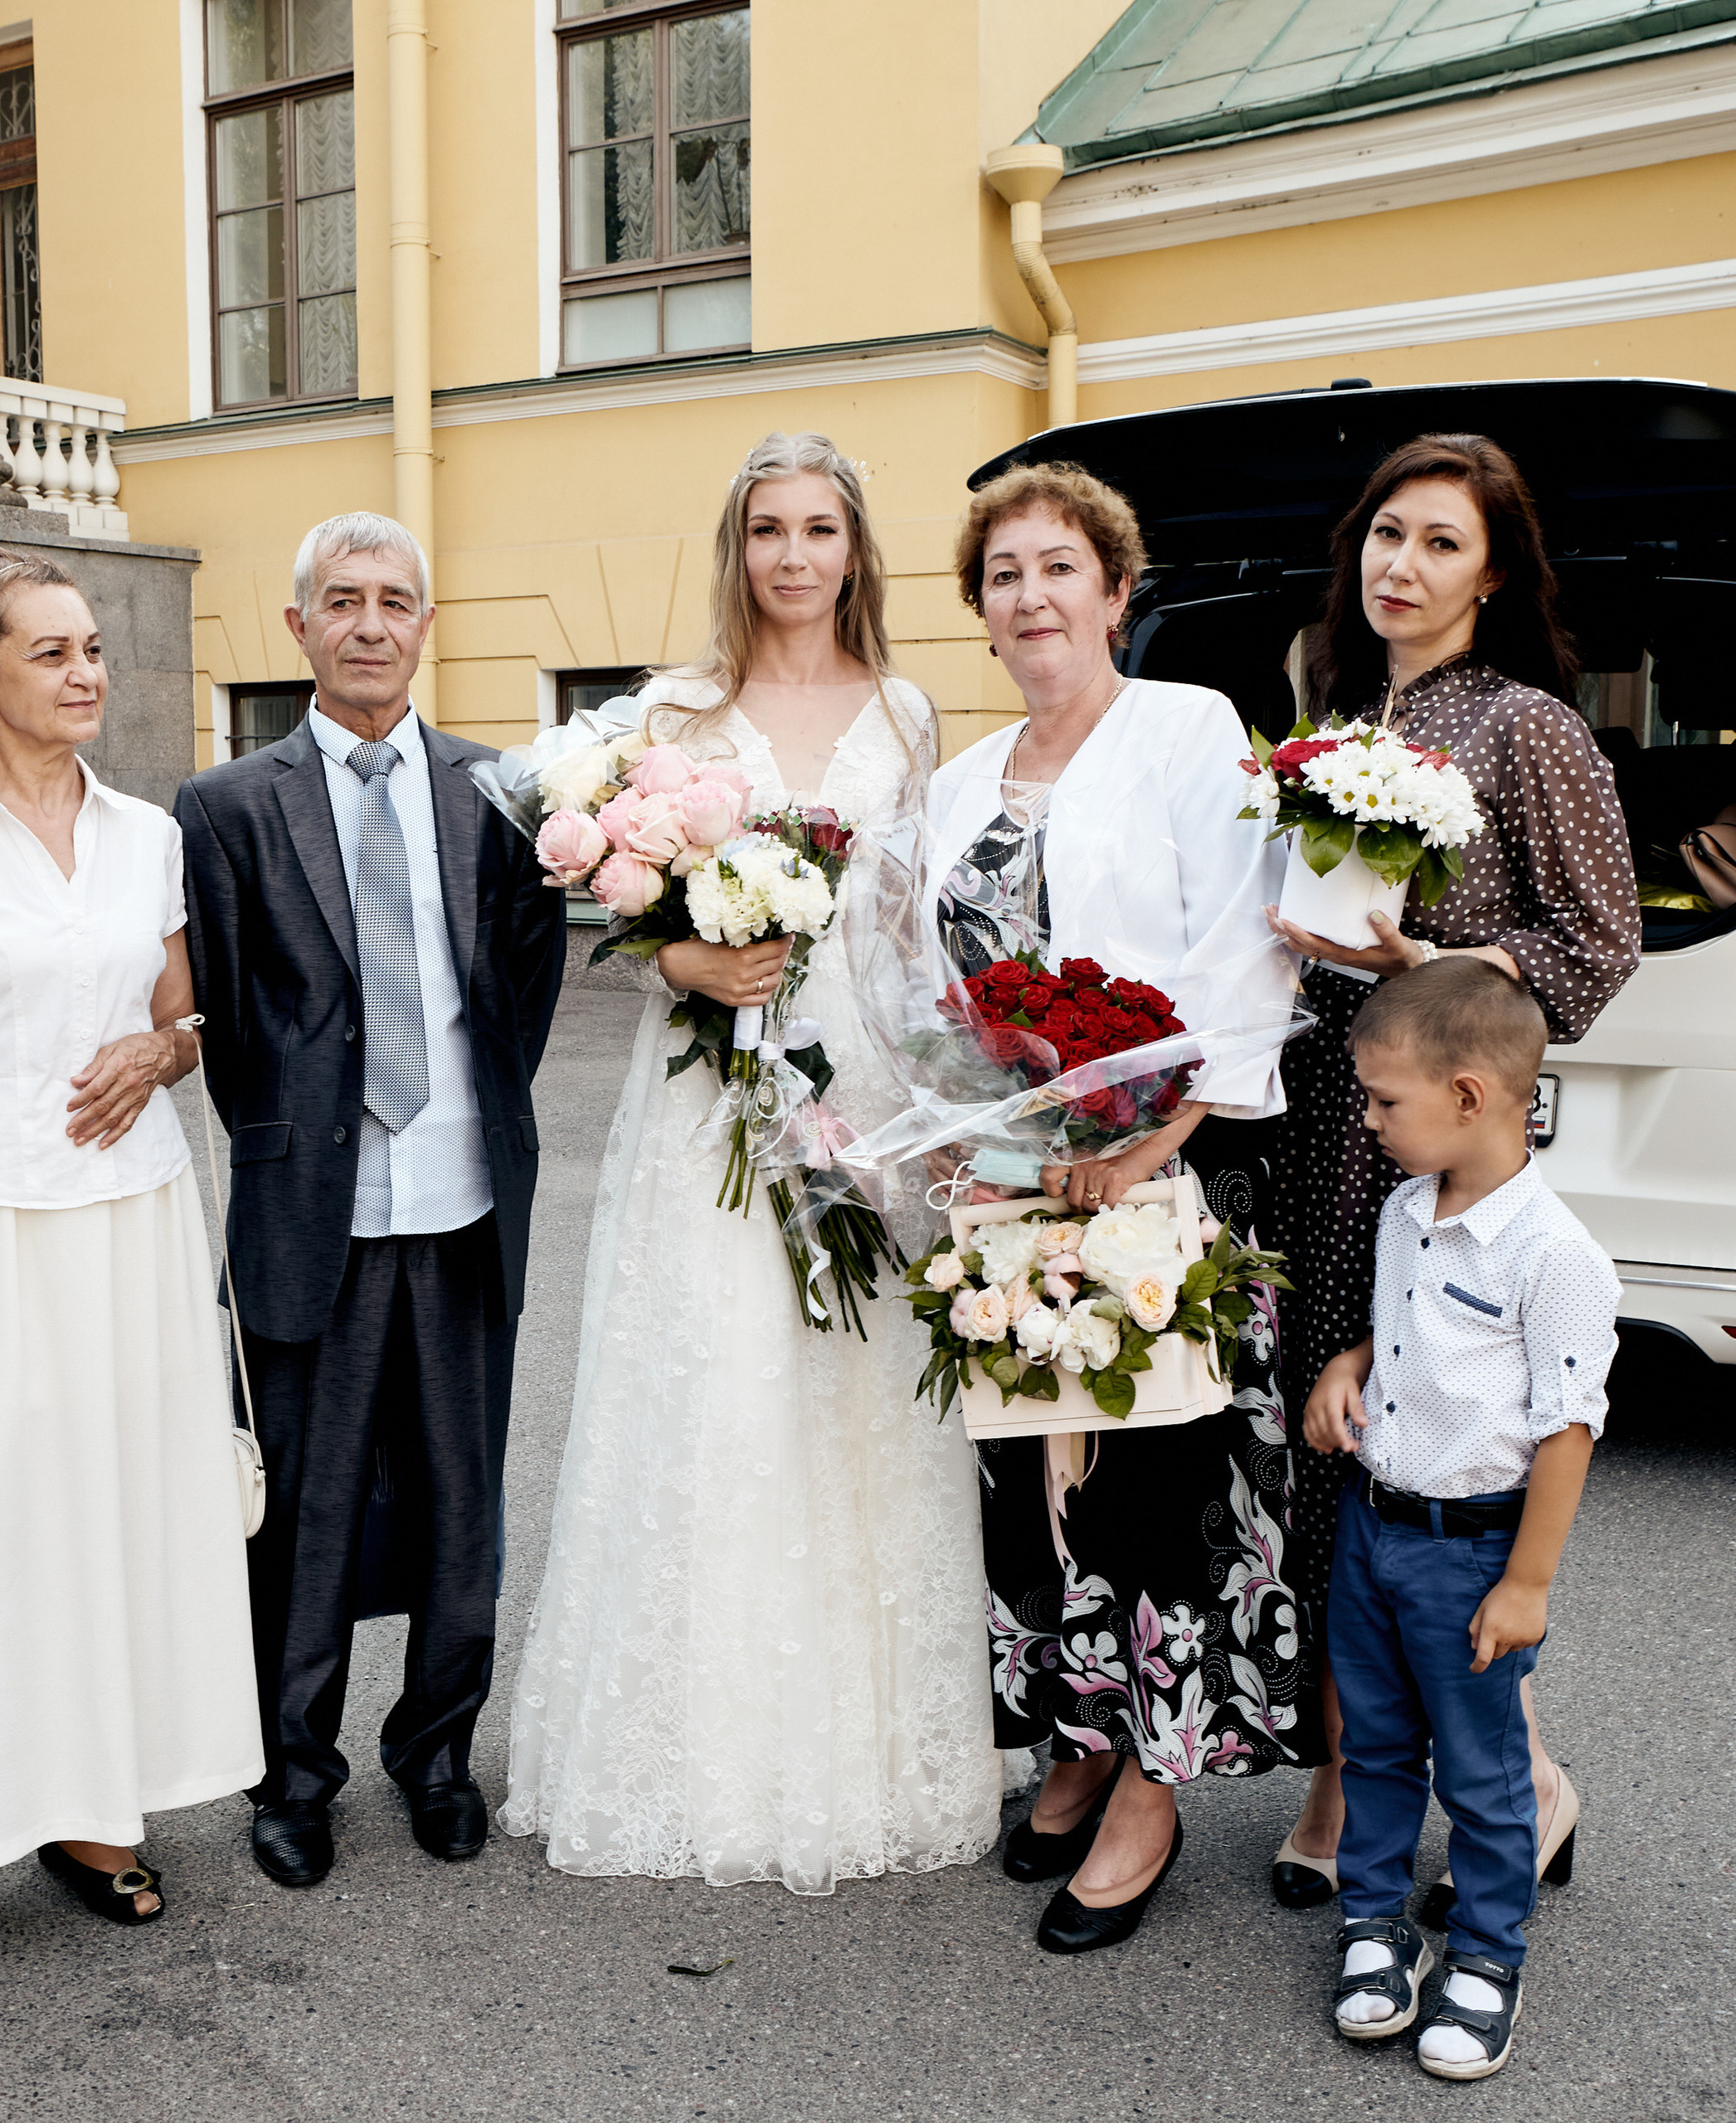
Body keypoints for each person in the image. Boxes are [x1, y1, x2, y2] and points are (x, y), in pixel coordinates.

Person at [500, 430, 1002, 1895]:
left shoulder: (906, 714)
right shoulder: (668, 712)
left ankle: (872, 1739)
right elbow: (616, 905)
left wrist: (950, 1104)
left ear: (856, 551)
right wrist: (684, 964)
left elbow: (913, 929)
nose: (795, 555)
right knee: (711, 1376)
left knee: (857, 1390)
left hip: (862, 1082)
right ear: (739, 549)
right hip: (708, 1095)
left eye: (821, 529)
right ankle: (687, 1739)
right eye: (770, 529)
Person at [923, 461, 1315, 1953]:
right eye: (1005, 574)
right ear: (983, 607)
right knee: (1029, 1479)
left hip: (1165, 1170)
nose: (1033, 595)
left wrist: (1156, 1143)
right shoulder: (962, 783)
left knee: (1156, 1482)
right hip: (1015, 1185)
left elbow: (1242, 953)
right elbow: (937, 996)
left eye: (1059, 567)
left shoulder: (1187, 730)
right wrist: (956, 1133)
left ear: (1115, 590)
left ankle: (1154, 1783)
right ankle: (1076, 1736)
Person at [0, 551, 262, 1973]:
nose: (86, 671)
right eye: (49, 652)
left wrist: (168, 1050)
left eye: (92, 646)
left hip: (131, 1217)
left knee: (107, 1512)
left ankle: (94, 1810)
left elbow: (179, 1014)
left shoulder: (150, 834)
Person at [1265, 434, 1638, 1913]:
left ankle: (1522, 1784)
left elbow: (1595, 941)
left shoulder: (1533, 727)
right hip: (1312, 1122)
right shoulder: (1325, 710)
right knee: (1328, 1462)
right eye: (1385, 536)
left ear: (1492, 574)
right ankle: (1346, 1766)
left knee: (1448, 1465)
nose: (1400, 567)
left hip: (1444, 1139)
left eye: (1438, 544)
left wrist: (1440, 968)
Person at [177, 513, 566, 1889]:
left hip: (464, 1200)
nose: (369, 623)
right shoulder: (225, 807)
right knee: (306, 1516)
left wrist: (463, 1114)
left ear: (425, 623)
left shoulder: (501, 792)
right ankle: (294, 1773)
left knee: (466, 1503)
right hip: (312, 1215)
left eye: (395, 600)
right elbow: (225, 1020)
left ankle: (438, 1751)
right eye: (341, 600)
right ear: (298, 629)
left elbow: (520, 993)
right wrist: (303, 1145)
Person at [1306, 958, 1615, 2082]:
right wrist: (1346, 1367)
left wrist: (1525, 1585)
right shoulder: (1405, 1211)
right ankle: (1375, 1927)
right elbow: (1409, 1340)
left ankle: (1487, 1954)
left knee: (1481, 1775)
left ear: (1471, 1096)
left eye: (1387, 1101)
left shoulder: (1555, 1256)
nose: (1373, 1121)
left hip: (1472, 1550)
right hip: (1372, 1530)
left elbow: (1566, 1433)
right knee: (1374, 1747)